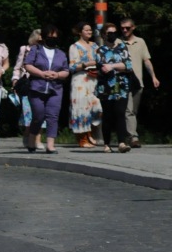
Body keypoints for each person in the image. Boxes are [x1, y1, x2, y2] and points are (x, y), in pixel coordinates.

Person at [22, 25, 70, 155]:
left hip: (55, 89)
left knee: (52, 116)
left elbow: (66, 70)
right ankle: (32, 139)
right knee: (38, 115)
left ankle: (50, 145)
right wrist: (41, 74)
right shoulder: (35, 50)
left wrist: (58, 75)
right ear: (43, 37)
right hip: (37, 87)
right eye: (49, 37)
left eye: (55, 37)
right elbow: (27, 65)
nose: (52, 39)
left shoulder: (61, 53)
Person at [95, 22, 133, 154]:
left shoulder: (122, 47)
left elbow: (128, 65)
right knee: (108, 115)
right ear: (104, 35)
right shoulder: (100, 50)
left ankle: (122, 142)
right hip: (106, 87)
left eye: (114, 32)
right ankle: (107, 143)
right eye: (109, 33)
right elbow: (102, 67)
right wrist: (116, 66)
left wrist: (113, 66)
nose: (112, 35)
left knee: (120, 113)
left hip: (122, 85)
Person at [120, 18, 159, 148]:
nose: (125, 30)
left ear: (133, 28)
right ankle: (133, 137)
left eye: (127, 28)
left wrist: (153, 76)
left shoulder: (140, 41)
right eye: (122, 28)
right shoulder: (119, 42)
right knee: (128, 110)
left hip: (138, 82)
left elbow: (146, 61)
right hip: (123, 81)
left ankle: (126, 135)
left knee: (133, 111)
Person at [68, 22, 103, 149]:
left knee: (96, 106)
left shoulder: (95, 46)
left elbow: (100, 61)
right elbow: (72, 66)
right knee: (81, 107)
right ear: (80, 32)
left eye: (90, 30)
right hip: (80, 80)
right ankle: (82, 137)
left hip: (93, 80)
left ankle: (90, 133)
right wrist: (87, 64)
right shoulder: (74, 47)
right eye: (86, 30)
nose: (89, 32)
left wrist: (97, 69)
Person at [11, 30, 42, 152]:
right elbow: (17, 67)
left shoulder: (45, 50)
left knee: (40, 112)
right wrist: (15, 80)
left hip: (41, 84)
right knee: (28, 113)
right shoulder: (24, 49)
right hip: (27, 85)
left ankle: (37, 139)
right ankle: (28, 134)